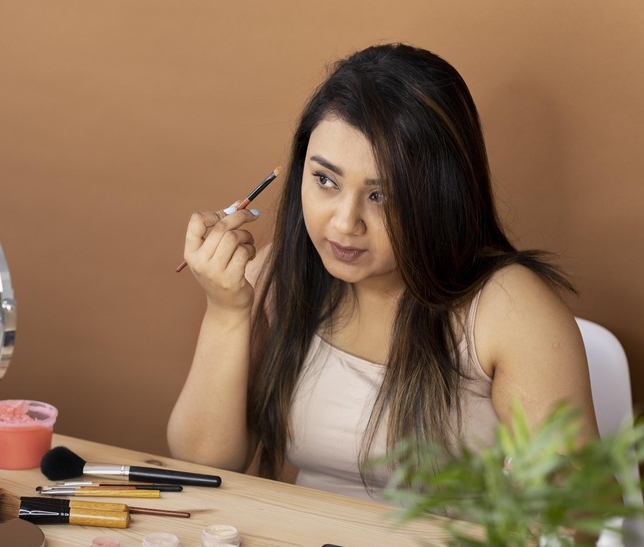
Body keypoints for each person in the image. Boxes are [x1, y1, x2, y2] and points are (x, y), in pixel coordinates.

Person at [167, 43, 597, 501]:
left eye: (382, 196)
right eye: (325, 180)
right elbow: (204, 467)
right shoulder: (279, 270)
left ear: (439, 197)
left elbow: (575, 513)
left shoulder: (509, 307)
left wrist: (545, 486)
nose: (343, 223)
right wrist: (227, 311)